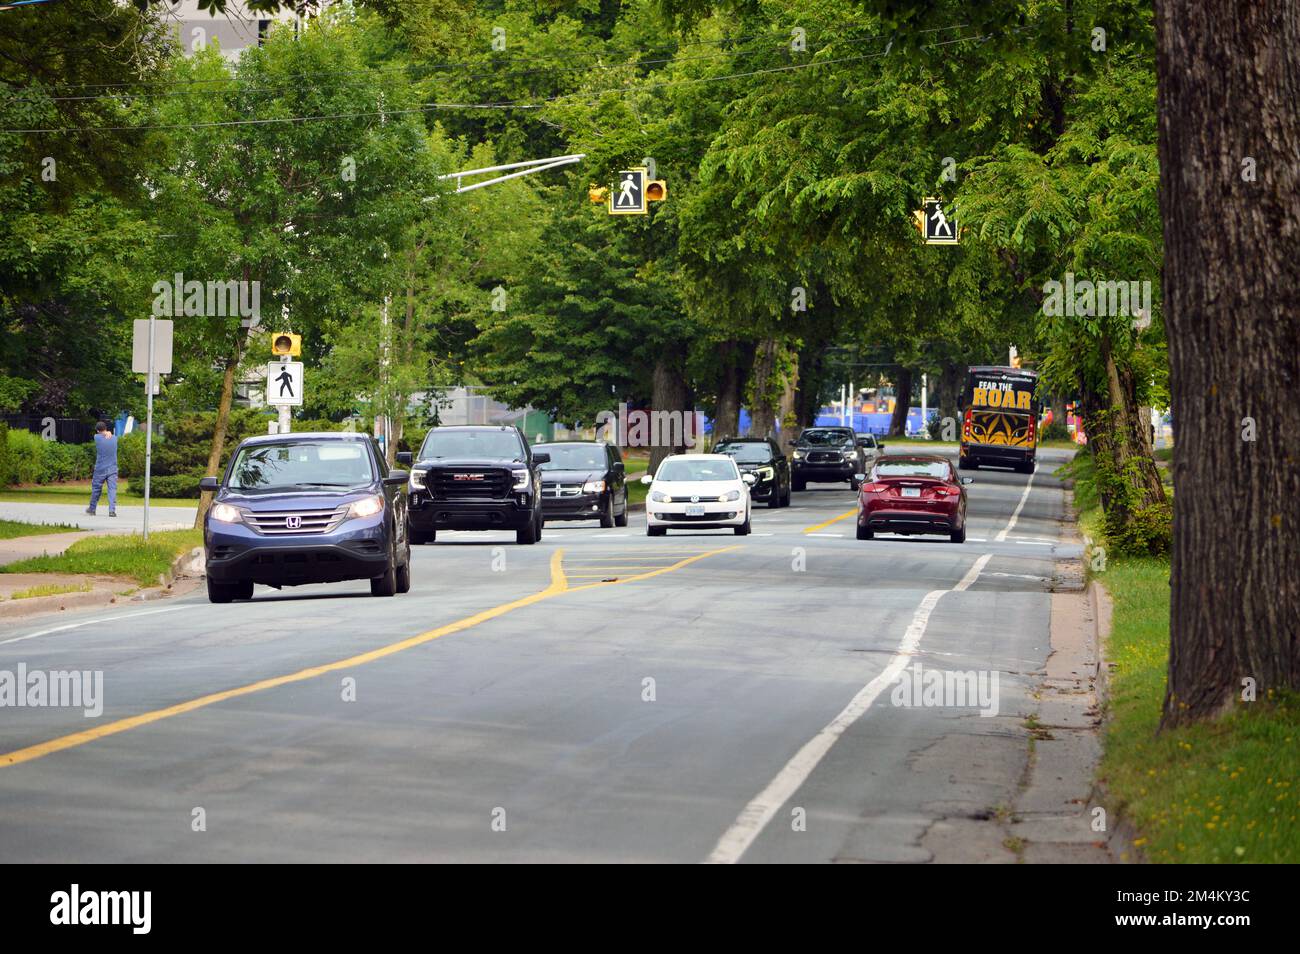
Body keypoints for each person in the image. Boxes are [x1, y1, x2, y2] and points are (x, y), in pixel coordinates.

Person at [87, 420, 118, 517]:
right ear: (106, 428)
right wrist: (109, 432)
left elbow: (101, 434)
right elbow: (108, 434)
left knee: (96, 489)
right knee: (112, 489)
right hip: (113, 468)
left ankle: (92, 509)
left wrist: (106, 433)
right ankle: (112, 511)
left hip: (100, 468)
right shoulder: (114, 438)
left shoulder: (97, 437)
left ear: (97, 430)